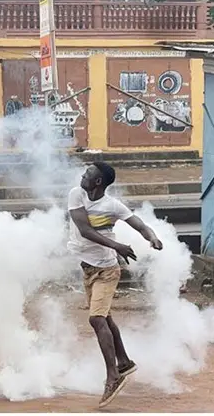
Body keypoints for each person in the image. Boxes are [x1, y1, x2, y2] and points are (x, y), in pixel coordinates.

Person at [67, 161, 163, 408]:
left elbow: (139, 224)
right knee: (106, 319)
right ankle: (124, 362)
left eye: (88, 174)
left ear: (98, 182)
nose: (83, 175)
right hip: (88, 269)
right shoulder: (76, 194)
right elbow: (84, 229)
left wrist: (152, 237)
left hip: (107, 270)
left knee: (96, 319)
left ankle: (113, 376)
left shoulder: (112, 206)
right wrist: (118, 246)